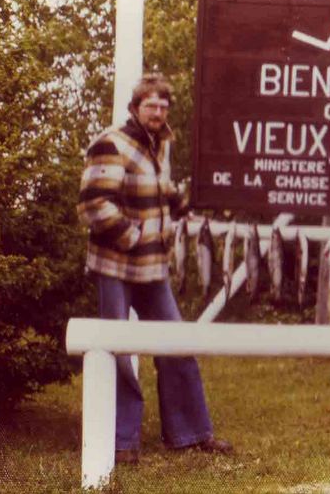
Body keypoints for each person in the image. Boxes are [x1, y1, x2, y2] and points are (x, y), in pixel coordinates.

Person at [77, 73, 232, 464]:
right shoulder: (111, 142)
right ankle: (121, 440)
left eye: (163, 106)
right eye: (151, 105)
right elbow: (94, 205)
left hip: (152, 269)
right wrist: (135, 236)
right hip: (115, 265)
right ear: (136, 107)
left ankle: (191, 433)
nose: (158, 112)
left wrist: (187, 207)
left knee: (176, 343)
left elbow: (160, 192)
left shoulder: (159, 145)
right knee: (118, 351)